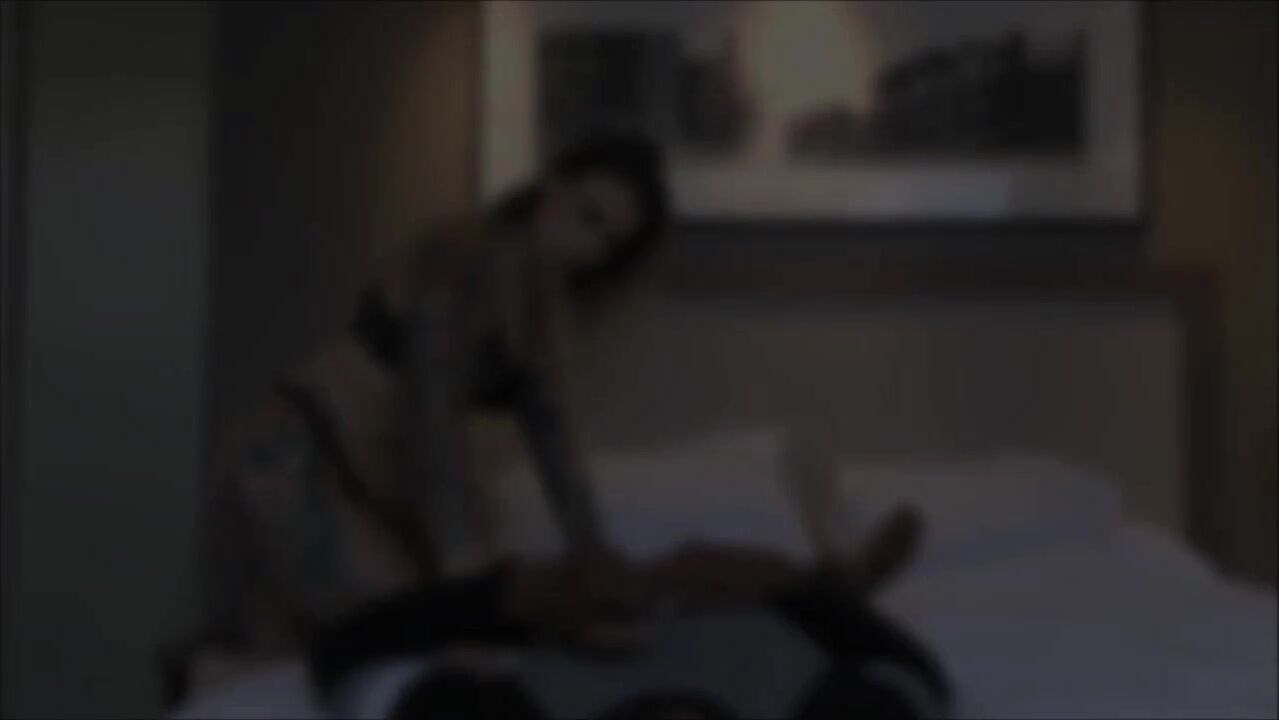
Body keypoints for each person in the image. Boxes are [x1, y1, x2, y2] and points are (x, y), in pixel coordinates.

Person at [186, 132, 670, 686]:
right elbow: (431, 417)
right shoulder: (463, 252)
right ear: (553, 188)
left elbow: (555, 444)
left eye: (610, 243)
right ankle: (207, 673)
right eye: (589, 217)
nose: (590, 248)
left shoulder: (541, 309)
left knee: (372, 651)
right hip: (301, 461)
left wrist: (595, 570)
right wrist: (468, 588)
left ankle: (220, 672)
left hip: (367, 491)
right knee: (417, 633)